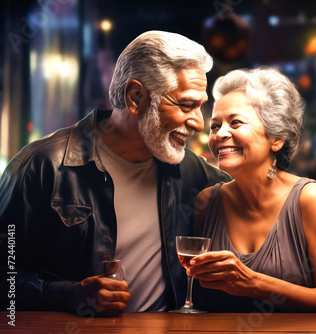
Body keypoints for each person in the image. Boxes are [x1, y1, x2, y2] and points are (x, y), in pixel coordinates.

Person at [0, 31, 231, 315]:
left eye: (201, 106)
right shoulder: (41, 166)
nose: (198, 122)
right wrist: (69, 295)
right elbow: (5, 279)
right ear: (135, 97)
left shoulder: (191, 170)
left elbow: (258, 193)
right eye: (186, 105)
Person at [189, 67, 316, 312]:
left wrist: (254, 283)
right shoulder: (207, 203)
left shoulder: (309, 199)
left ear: (276, 138)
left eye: (235, 122)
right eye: (215, 126)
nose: (220, 134)